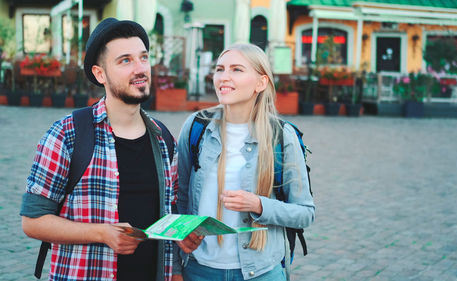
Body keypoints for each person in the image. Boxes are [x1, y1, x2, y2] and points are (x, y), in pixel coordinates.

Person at [20, 18, 201, 281]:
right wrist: (101, 233)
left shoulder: (163, 139)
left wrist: (175, 269)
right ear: (100, 74)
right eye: (125, 60)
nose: (140, 69)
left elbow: (168, 215)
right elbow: (32, 221)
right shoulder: (67, 134)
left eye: (143, 58)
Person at [176, 43, 315, 280]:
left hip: (261, 271)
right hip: (199, 269)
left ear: (261, 83)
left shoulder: (282, 136)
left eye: (237, 70)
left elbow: (305, 213)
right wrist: (180, 243)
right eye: (220, 69)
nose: (223, 77)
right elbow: (180, 197)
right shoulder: (196, 127)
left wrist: (259, 205)